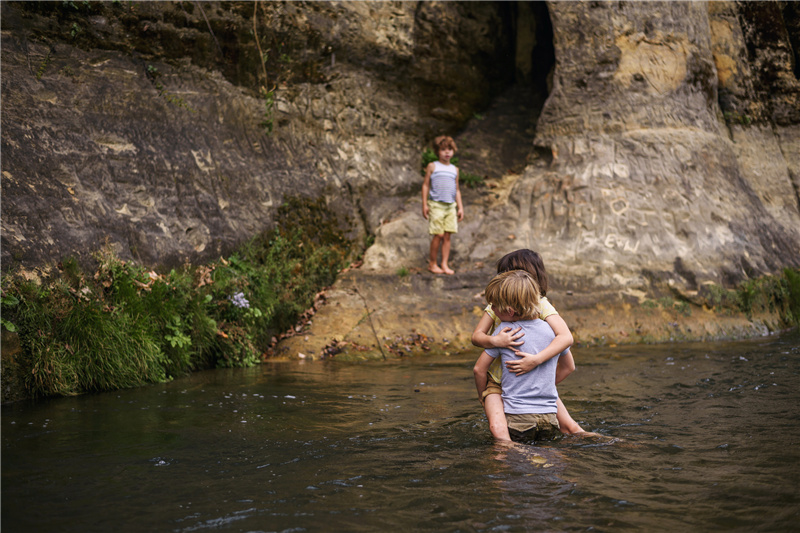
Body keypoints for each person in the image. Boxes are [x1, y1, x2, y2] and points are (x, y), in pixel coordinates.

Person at [471, 249, 585, 441]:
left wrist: (534, 376)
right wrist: (495, 341)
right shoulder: (497, 303)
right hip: (500, 379)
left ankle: (506, 453)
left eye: (507, 274)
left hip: (525, 377)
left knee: (570, 426)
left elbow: (566, 337)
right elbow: (476, 337)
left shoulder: (541, 305)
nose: (504, 279)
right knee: (563, 427)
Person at [421, 135, 464, 275]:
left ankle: (444, 264)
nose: (447, 152)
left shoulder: (454, 169)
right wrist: (424, 204)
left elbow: (457, 189)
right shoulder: (433, 166)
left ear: (453, 151)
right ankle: (432, 263)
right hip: (436, 205)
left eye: (450, 149)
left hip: (450, 206)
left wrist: (460, 207)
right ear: (437, 151)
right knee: (438, 234)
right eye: (443, 149)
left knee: (447, 235)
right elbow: (426, 185)